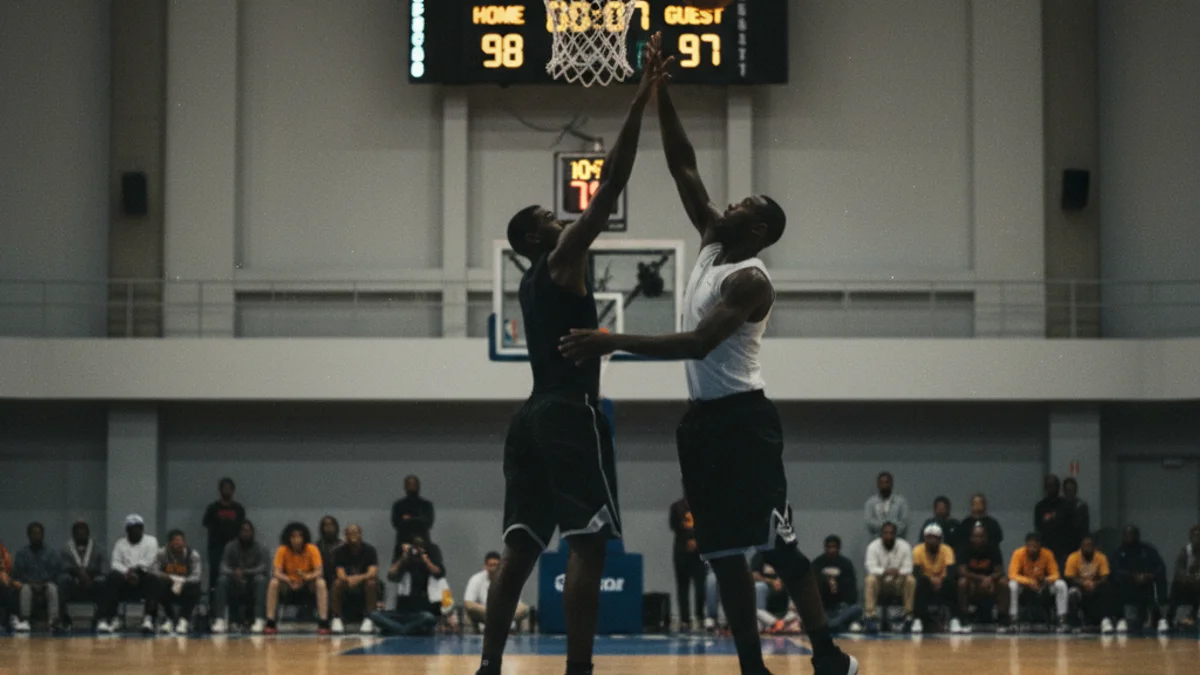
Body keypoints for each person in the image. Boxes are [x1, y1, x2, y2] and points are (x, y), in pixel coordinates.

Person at [555, 35, 857, 675]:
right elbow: (682, 165)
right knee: (722, 554)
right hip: (701, 424)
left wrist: (614, 340)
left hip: (745, 422)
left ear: (756, 231)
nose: (727, 204)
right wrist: (658, 91)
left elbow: (696, 343)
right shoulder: (715, 242)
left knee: (780, 550)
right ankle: (753, 668)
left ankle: (827, 655)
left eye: (742, 206)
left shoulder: (749, 280)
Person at [473, 37, 672, 675]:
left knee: (520, 551)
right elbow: (611, 184)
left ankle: (488, 667)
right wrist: (640, 99)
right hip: (568, 413)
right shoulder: (559, 260)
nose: (563, 218)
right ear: (536, 237)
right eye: (550, 216)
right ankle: (579, 671)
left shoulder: (534, 281)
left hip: (528, 417)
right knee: (591, 548)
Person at [265, 522, 329, 635]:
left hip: (307, 585)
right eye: (293, 537)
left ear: (305, 538)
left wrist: (306, 577)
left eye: (300, 536)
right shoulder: (282, 550)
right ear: (288, 538)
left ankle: (323, 622)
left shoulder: (312, 549)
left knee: (321, 583)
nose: (297, 540)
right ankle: (270, 622)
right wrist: (289, 580)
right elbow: (276, 572)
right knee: (274, 582)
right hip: (289, 585)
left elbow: (319, 571)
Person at [101, 514, 160, 634]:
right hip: (125, 579)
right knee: (112, 577)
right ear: (127, 530)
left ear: (142, 529)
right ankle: (112, 618)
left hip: (143, 578)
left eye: (137, 528)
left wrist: (135, 571)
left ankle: (148, 619)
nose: (134, 531)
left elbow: (149, 561)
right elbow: (115, 563)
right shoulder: (120, 543)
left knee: (153, 579)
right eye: (131, 528)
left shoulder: (151, 541)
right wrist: (128, 572)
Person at [212, 520, 270, 634]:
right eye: (243, 531)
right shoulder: (230, 546)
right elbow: (223, 567)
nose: (246, 533)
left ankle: (259, 619)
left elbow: (264, 567)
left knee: (261, 580)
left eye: (248, 531)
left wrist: (244, 572)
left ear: (253, 533)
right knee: (222, 580)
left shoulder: (260, 547)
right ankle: (219, 619)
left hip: (252, 582)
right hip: (235, 582)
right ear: (238, 533)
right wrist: (234, 572)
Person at [381, 536, 446, 636]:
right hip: (404, 613)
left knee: (427, 617)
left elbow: (438, 573)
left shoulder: (434, 574)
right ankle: (405, 629)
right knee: (374, 615)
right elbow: (390, 575)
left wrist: (425, 559)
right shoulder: (405, 566)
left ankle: (400, 630)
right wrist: (403, 558)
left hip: (424, 613)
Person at [1110, 524, 1168, 634]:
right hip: (1126, 583)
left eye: (1132, 534)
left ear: (1137, 536)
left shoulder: (1148, 550)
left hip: (1145, 583)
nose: (1130, 537)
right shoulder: (1118, 552)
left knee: (1159, 581)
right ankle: (1120, 619)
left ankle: (1160, 618)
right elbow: (1114, 569)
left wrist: (1148, 575)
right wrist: (1132, 576)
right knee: (1114, 583)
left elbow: (1160, 567)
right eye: (1127, 535)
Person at [1008, 532, 1068, 631]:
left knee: (1061, 585)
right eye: (1029, 546)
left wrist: (1046, 580)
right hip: (1025, 587)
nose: (1032, 549)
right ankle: (1013, 620)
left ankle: (1062, 619)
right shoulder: (1018, 553)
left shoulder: (1047, 554)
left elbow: (1056, 574)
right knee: (1012, 585)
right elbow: (1012, 574)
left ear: (1040, 545)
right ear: (1026, 545)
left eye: (1035, 546)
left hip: (1043, 586)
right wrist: (1029, 582)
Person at [954, 524, 1008, 634]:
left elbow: (999, 570)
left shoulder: (993, 549)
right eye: (976, 536)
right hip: (972, 583)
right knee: (962, 582)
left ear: (986, 537)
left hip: (990, 584)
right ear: (971, 537)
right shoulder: (965, 549)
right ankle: (964, 619)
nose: (979, 539)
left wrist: (990, 579)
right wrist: (982, 578)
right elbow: (962, 571)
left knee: (1004, 582)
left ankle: (1002, 620)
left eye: (982, 536)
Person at [863, 522, 916, 633]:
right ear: (881, 534)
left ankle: (908, 615)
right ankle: (870, 616)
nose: (888, 536)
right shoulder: (873, 546)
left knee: (910, 580)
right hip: (880, 583)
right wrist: (885, 572)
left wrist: (897, 572)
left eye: (891, 533)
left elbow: (909, 568)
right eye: (886, 533)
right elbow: (870, 567)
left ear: (895, 534)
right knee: (870, 579)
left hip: (898, 582)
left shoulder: (904, 546)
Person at [11, 522, 63, 632]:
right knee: (25, 589)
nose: (36, 536)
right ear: (29, 535)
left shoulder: (51, 552)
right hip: (28, 583)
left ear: (43, 535)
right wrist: (31, 583)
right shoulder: (22, 553)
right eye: (33, 534)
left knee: (52, 588)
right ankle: (25, 620)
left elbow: (55, 571)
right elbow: (19, 573)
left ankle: (53, 620)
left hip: (46, 583)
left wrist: (43, 583)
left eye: (39, 533)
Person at [58, 520, 107, 632]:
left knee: (103, 582)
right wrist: (77, 573)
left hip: (92, 582)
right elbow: (63, 566)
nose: (81, 536)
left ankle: (101, 619)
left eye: (84, 533)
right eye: (78, 534)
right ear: (73, 534)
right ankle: (63, 620)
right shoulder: (66, 549)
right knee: (63, 580)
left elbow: (104, 568)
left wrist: (90, 575)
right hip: (74, 583)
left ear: (88, 533)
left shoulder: (98, 548)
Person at [151, 529, 202, 635]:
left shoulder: (192, 555)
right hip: (169, 585)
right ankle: (169, 619)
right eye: (176, 541)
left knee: (196, 587)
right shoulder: (162, 554)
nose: (179, 543)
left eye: (181, 541)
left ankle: (183, 620)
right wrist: (169, 577)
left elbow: (196, 575)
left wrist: (183, 581)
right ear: (169, 543)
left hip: (186, 586)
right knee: (156, 584)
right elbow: (154, 570)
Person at [331, 524, 380, 635]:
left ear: (360, 534)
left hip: (363, 582)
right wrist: (349, 579)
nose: (353, 536)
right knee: (337, 583)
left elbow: (372, 572)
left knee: (371, 583)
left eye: (355, 533)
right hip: (347, 582)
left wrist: (358, 578)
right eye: (349, 533)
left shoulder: (369, 550)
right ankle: (336, 618)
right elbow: (340, 573)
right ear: (345, 536)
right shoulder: (339, 551)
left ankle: (369, 618)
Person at [464, 552, 529, 633]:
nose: (493, 568)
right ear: (485, 566)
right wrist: (492, 613)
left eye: (496, 565)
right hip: (484, 618)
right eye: (491, 565)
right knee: (468, 612)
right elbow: (468, 603)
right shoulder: (476, 579)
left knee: (525, 609)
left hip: (507, 621)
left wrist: (503, 615)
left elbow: (519, 605)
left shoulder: (511, 581)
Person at [810, 535, 862, 634]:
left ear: (839, 548)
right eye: (829, 547)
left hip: (841, 608)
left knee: (857, 609)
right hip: (823, 608)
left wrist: (838, 586)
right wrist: (827, 583)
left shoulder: (846, 564)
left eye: (834, 547)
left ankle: (830, 625)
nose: (831, 550)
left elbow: (851, 591)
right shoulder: (817, 563)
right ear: (825, 548)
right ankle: (836, 625)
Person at [201, 477, 245, 594]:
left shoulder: (238, 509)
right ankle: (213, 606)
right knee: (215, 574)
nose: (227, 491)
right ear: (220, 490)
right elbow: (206, 523)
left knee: (235, 574)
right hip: (216, 547)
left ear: (233, 490)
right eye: (224, 488)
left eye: (229, 488)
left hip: (234, 548)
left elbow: (243, 527)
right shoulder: (213, 508)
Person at [1064, 533, 1114, 633]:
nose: (1088, 548)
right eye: (1085, 545)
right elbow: (1070, 576)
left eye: (1090, 545)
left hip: (1096, 585)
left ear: (1094, 547)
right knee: (1073, 593)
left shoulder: (1100, 557)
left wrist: (1094, 583)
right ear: (1081, 546)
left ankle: (1105, 620)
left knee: (1106, 587)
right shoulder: (1073, 557)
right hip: (1079, 586)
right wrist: (1084, 583)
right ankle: (1073, 624)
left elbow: (1104, 575)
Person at [670, 495, 706, 631]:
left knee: (701, 586)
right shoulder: (677, 507)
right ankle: (685, 619)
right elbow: (674, 526)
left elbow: (705, 525)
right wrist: (687, 540)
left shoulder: (702, 506)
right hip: (681, 551)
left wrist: (696, 541)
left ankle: (700, 616)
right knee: (682, 586)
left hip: (699, 553)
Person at [911, 523, 955, 633]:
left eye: (934, 538)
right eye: (928, 538)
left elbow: (951, 571)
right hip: (926, 582)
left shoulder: (947, 550)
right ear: (924, 538)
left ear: (940, 539)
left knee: (953, 583)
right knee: (918, 583)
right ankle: (918, 620)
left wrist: (940, 580)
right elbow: (916, 572)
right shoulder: (917, 550)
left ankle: (955, 619)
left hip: (942, 582)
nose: (931, 541)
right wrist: (931, 579)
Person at [1034, 475, 1075, 571]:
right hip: (1045, 549)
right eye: (1048, 486)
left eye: (1053, 485)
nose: (1051, 488)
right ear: (1045, 488)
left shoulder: (1066, 506)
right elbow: (1038, 528)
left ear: (1058, 487)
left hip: (1064, 550)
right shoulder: (1040, 507)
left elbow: (1072, 528)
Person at [750, 555, 797, 634]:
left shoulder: (783, 556)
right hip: (766, 586)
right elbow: (754, 575)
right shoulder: (758, 557)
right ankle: (775, 623)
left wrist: (780, 581)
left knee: (795, 584)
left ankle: (783, 624)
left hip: (785, 613)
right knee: (756, 613)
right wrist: (772, 581)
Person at [1167, 524, 1200, 631]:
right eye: (1195, 536)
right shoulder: (1185, 551)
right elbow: (1179, 571)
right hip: (1188, 582)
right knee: (1176, 585)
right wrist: (1189, 578)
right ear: (1191, 537)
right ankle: (1169, 619)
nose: (1197, 539)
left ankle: (1193, 617)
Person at [391, 475, 435, 550]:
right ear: (405, 486)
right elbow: (396, 523)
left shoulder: (426, 505)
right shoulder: (398, 505)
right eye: (409, 484)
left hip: (422, 541)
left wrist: (409, 519)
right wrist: (418, 519)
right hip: (403, 541)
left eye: (414, 484)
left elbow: (428, 522)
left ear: (418, 486)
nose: (411, 487)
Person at [865, 472, 909, 539]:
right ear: (878, 485)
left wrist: (891, 533)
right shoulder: (871, 503)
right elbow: (869, 522)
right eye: (881, 483)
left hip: (897, 540)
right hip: (876, 540)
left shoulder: (901, 502)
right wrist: (885, 530)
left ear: (891, 484)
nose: (884, 485)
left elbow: (904, 523)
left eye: (887, 482)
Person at [1061, 477, 1090, 557]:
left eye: (1072, 490)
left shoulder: (1081, 506)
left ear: (1076, 490)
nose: (1070, 492)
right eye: (1067, 490)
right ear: (1064, 491)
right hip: (1063, 544)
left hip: (1078, 542)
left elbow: (1085, 528)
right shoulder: (1059, 506)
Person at [316, 515, 342, 589]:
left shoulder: (342, 545)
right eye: (326, 525)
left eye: (331, 525)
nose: (329, 528)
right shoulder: (317, 546)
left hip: (338, 576)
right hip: (322, 576)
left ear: (335, 527)